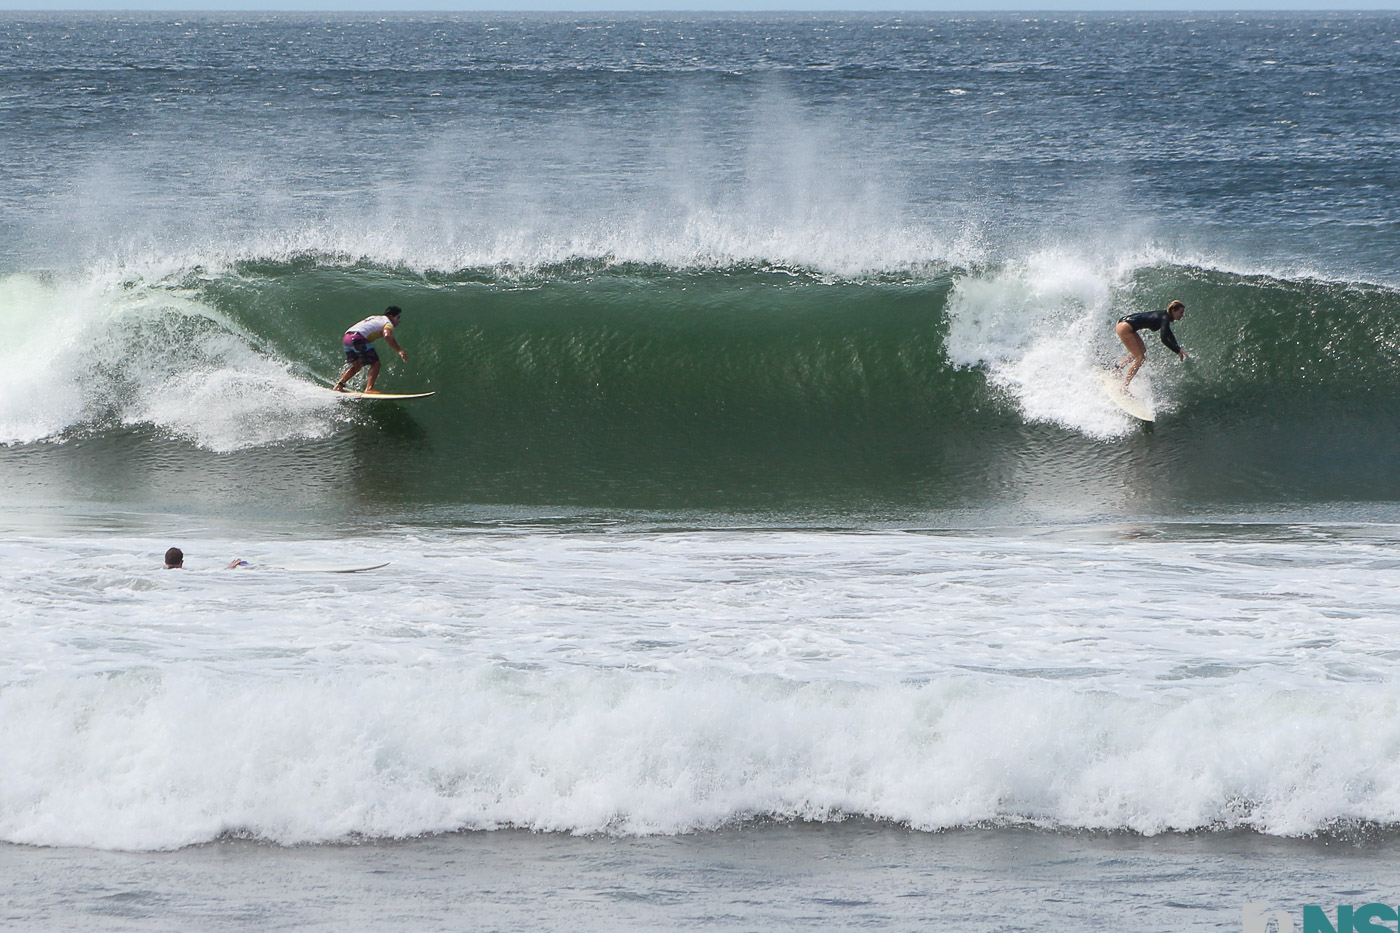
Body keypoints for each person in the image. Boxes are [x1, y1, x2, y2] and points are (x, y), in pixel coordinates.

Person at [1114, 300, 1187, 389]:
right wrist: (1177, 350)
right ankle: (1124, 387)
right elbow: (1163, 339)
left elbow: (1169, 334)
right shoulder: (1165, 318)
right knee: (1140, 358)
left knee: (1142, 350)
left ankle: (1117, 369)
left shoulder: (1164, 315)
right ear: (1173, 311)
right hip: (1125, 327)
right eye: (1181, 312)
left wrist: (1178, 348)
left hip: (1123, 323)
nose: (1182, 315)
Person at [333, 306, 407, 394]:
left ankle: (339, 386)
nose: (399, 320)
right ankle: (369, 389)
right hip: (358, 338)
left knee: (357, 366)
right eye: (398, 317)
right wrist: (399, 351)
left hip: (347, 338)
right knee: (376, 364)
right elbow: (387, 335)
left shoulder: (375, 317)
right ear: (391, 316)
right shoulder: (387, 322)